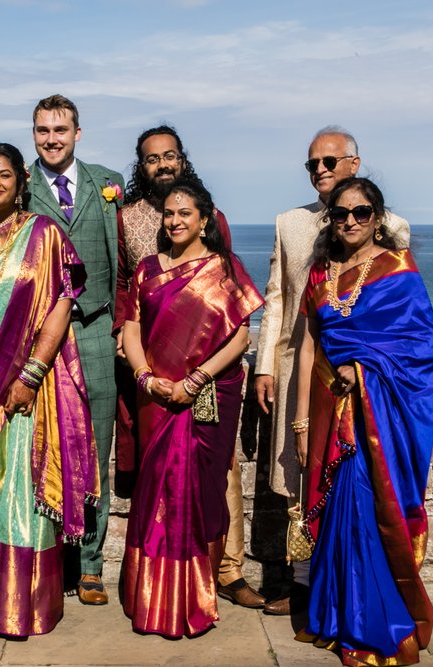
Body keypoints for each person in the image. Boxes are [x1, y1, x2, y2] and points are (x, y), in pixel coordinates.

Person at [0, 95, 123, 605]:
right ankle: (49, 561)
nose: (52, 137)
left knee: (92, 450)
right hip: (32, 339)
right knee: (40, 446)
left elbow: (123, 256)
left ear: (77, 132)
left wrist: (123, 326)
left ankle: (88, 563)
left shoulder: (108, 183)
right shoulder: (18, 190)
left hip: (94, 331)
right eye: (42, 130)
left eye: (60, 129)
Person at [252, 126, 410, 614]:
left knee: (347, 474)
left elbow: (397, 311)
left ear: (354, 165)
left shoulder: (391, 226)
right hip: (299, 366)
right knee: (296, 472)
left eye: (330, 161)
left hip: (356, 378)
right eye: (312, 164)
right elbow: (277, 298)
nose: (320, 170)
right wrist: (263, 367)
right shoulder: (290, 223)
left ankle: (348, 584)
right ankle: (301, 584)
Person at [293, 177, 433, 666]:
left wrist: (363, 371)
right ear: (329, 219)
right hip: (329, 409)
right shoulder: (320, 273)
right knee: (339, 512)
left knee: (363, 508)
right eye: (340, 213)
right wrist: (300, 419)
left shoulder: (397, 268)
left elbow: (421, 350)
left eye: (361, 213)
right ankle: (335, 615)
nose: (350, 221)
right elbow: (309, 345)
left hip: (377, 415)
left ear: (378, 217)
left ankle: (371, 622)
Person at [114, 126, 262, 609]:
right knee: (155, 479)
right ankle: (155, 588)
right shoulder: (128, 219)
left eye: (169, 155)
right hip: (151, 374)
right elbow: (124, 290)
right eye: (152, 158)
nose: (162, 164)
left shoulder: (212, 220)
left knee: (216, 479)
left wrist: (198, 378)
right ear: (142, 166)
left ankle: (225, 572)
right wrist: (136, 362)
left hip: (206, 385)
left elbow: (227, 307)